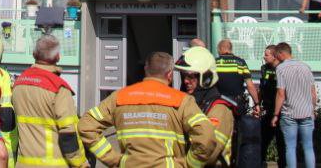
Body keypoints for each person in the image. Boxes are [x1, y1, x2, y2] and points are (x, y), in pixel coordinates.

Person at [79, 51, 219, 168]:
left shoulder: (119, 97)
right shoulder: (182, 101)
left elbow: (86, 126)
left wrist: (114, 159)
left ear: (146, 70)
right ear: (170, 74)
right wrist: (189, 164)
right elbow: (207, 137)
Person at [10, 35, 86, 168]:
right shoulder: (58, 88)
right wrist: (80, 164)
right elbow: (68, 133)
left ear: (34, 54)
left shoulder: (18, 84)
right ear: (57, 57)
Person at [176, 46, 235, 166]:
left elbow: (209, 151)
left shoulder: (220, 109)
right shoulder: (190, 104)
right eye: (183, 76)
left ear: (206, 78)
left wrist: (183, 164)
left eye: (191, 76)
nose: (186, 81)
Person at [272, 43, 317, 168]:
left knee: (290, 147)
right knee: (308, 147)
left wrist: (275, 114)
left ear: (281, 53)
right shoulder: (306, 67)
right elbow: (313, 93)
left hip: (289, 113)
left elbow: (281, 94)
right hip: (307, 112)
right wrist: (313, 109)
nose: (276, 57)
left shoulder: (281, 69)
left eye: (276, 55)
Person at [257, 45, 286, 168]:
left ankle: (283, 164)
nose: (264, 57)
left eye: (266, 55)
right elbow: (261, 88)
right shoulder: (264, 68)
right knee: (263, 140)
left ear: (274, 56)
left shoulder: (282, 69)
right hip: (267, 109)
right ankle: (260, 163)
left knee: (281, 142)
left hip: (281, 111)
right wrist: (257, 104)